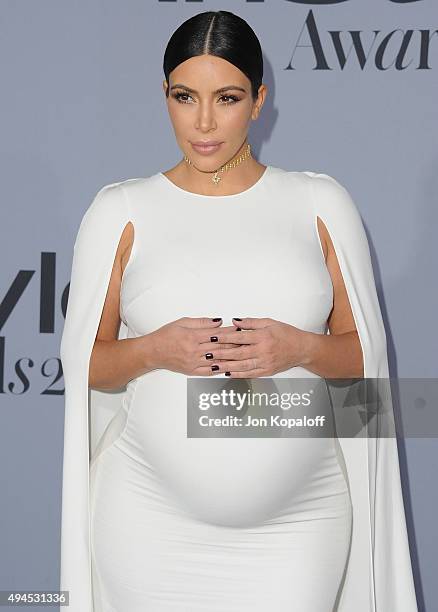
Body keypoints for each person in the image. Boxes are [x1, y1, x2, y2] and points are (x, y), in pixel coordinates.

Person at [59, 9, 418, 612]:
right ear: (165, 96)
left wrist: (298, 347)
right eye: (185, 96)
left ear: (258, 102)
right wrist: (154, 350)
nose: (203, 122)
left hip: (298, 528)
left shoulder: (319, 203)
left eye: (226, 97)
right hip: (147, 527)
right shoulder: (121, 211)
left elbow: (366, 359)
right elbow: (86, 367)